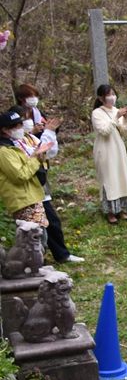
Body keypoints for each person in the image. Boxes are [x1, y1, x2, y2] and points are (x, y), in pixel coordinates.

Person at [13, 84, 81, 263]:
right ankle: (34, 261)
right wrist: (44, 134)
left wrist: (48, 132)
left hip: (40, 183)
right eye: (22, 121)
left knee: (52, 222)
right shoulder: (11, 145)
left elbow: (48, 151)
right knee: (35, 228)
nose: (27, 123)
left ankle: (61, 254)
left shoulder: (30, 134)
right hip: (27, 190)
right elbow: (33, 155)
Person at [0, 106, 54, 229]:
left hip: (31, 197)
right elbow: (20, 175)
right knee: (33, 241)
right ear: (4, 130)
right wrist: (35, 158)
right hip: (23, 201)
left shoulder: (13, 145)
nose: (20, 129)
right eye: (16, 126)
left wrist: (37, 155)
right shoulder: (4, 151)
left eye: (20, 125)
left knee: (41, 238)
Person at [91, 83, 127, 224]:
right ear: (101, 97)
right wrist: (116, 117)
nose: (112, 97)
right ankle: (110, 211)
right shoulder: (97, 113)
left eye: (113, 94)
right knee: (109, 179)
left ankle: (121, 209)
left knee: (120, 176)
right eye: (108, 94)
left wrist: (126, 118)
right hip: (105, 150)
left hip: (118, 149)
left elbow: (126, 132)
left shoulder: (116, 110)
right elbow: (104, 131)